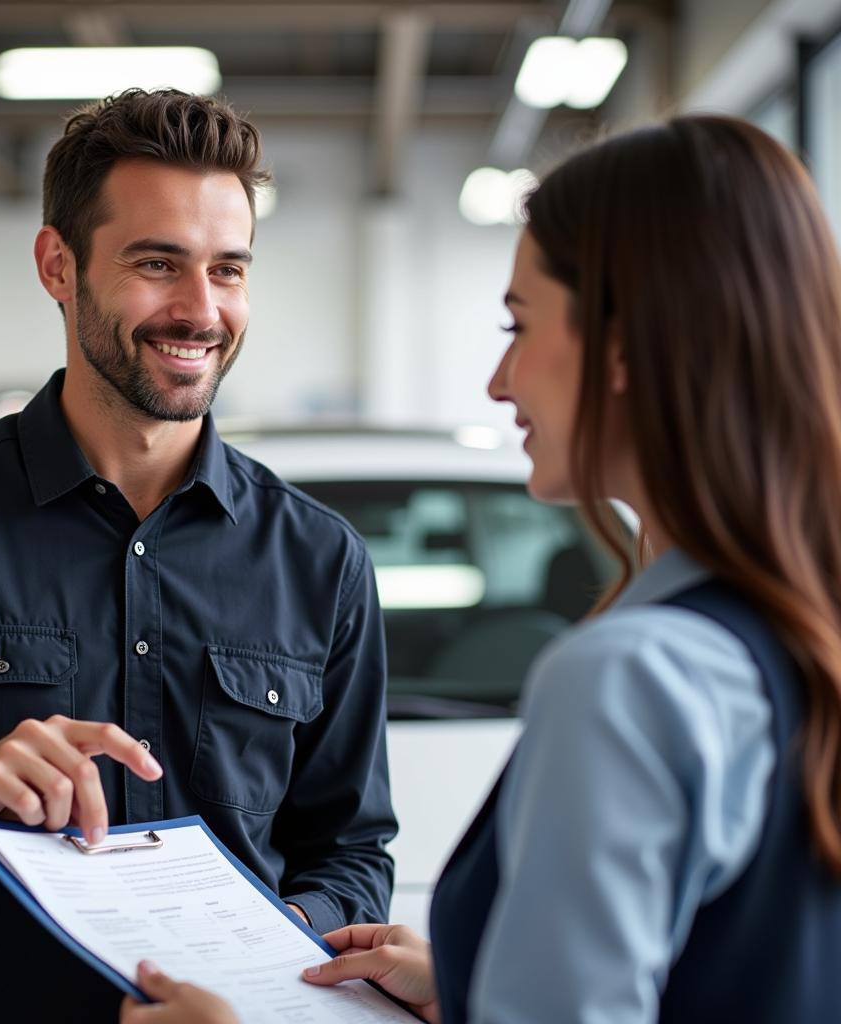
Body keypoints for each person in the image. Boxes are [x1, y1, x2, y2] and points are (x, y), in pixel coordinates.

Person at [120, 114, 841, 1022]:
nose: (500, 380)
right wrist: (469, 994)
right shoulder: (798, 638)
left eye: (520, 325)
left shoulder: (630, 679)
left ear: (624, 347)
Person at [0, 89, 396, 1023]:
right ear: (59, 265)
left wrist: (281, 937)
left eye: (230, 269)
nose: (201, 310)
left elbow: (353, 850)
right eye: (158, 263)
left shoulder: (321, 561)